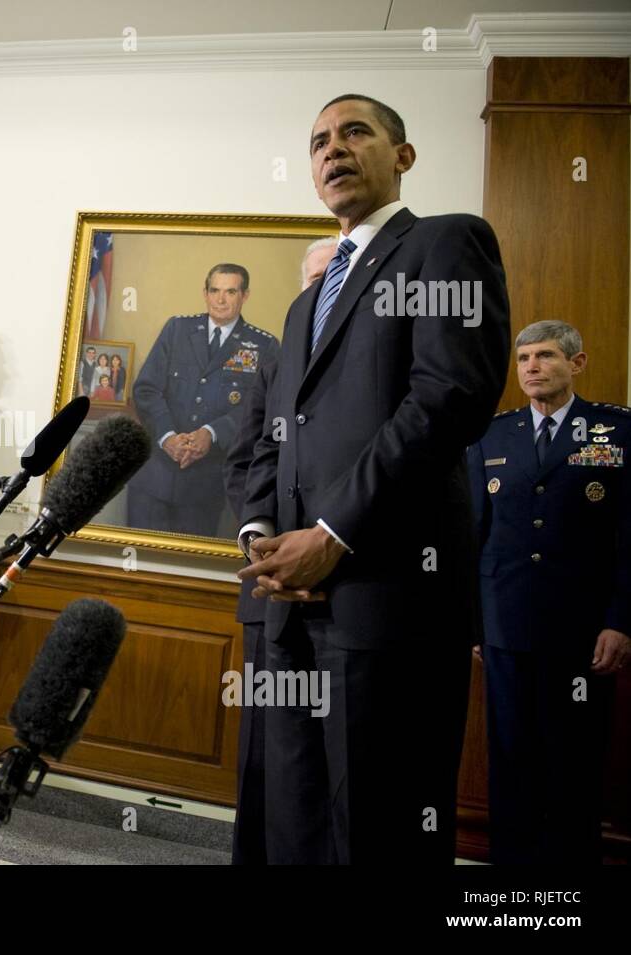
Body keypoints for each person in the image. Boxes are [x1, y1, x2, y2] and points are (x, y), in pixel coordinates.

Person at [237, 94, 511, 863]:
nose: (334, 149)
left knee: (378, 826)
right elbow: (270, 439)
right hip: (284, 601)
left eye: (356, 132)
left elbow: (447, 397)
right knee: (290, 825)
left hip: (388, 593)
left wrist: (331, 533)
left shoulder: (444, 244)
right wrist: (262, 535)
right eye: (320, 139)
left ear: (404, 155)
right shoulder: (301, 309)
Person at [468, 319, 629, 864]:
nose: (531, 368)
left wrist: (621, 620)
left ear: (576, 364)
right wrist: (474, 623)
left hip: (583, 634)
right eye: (524, 360)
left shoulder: (616, 433)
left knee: (575, 764)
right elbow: (474, 533)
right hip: (505, 628)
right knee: (510, 761)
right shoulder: (493, 434)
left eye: (544, 357)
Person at [221, 238, 335, 864]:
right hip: (268, 591)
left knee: (337, 766)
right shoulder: (272, 361)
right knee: (267, 758)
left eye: (336, 276)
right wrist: (258, 536)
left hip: (346, 587)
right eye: (314, 278)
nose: (323, 289)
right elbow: (247, 463)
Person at [130, 263, 280, 537]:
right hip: (154, 477)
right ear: (205, 293)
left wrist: (212, 433)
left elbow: (260, 408)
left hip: (207, 483)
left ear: (244, 295)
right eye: (215, 290)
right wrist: (168, 437)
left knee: (188, 568)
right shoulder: (177, 329)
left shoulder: (264, 345)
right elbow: (146, 389)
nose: (221, 299)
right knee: (138, 564)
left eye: (231, 292)